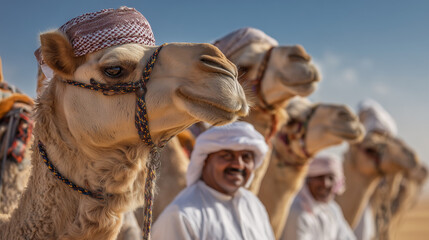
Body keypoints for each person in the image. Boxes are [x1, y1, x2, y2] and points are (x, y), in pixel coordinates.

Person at [152, 121, 275, 240]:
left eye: (246, 157)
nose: (239, 165)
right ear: (204, 161)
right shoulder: (181, 216)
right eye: (227, 156)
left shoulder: (253, 205)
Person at [281, 153, 356, 240]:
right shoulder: (297, 211)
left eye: (331, 178)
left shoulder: (332, 209)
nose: (325, 184)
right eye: (319, 177)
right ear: (308, 180)